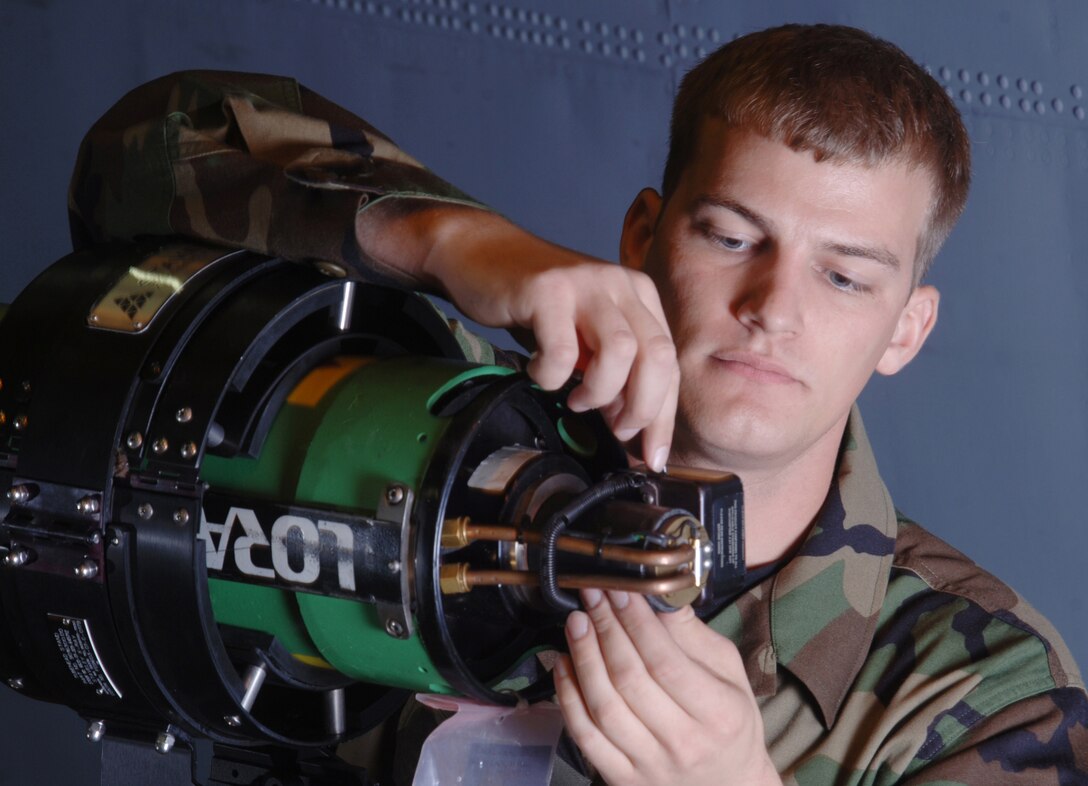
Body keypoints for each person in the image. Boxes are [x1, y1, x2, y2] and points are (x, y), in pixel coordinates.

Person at [68, 23, 1088, 785]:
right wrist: (454, 245)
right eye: (731, 237)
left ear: (905, 328)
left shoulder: (978, 686)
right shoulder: (427, 430)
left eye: (845, 278)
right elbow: (135, 163)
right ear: (642, 236)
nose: (771, 310)